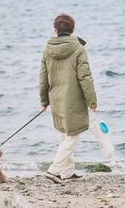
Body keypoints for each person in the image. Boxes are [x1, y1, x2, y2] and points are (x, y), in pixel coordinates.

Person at [39, 13, 98, 183]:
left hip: (56, 99)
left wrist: (44, 100)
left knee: (65, 134)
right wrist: (92, 101)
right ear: (73, 29)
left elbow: (43, 77)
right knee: (72, 136)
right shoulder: (79, 48)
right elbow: (85, 77)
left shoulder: (47, 49)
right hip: (74, 99)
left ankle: (67, 172)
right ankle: (54, 170)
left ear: (55, 30)